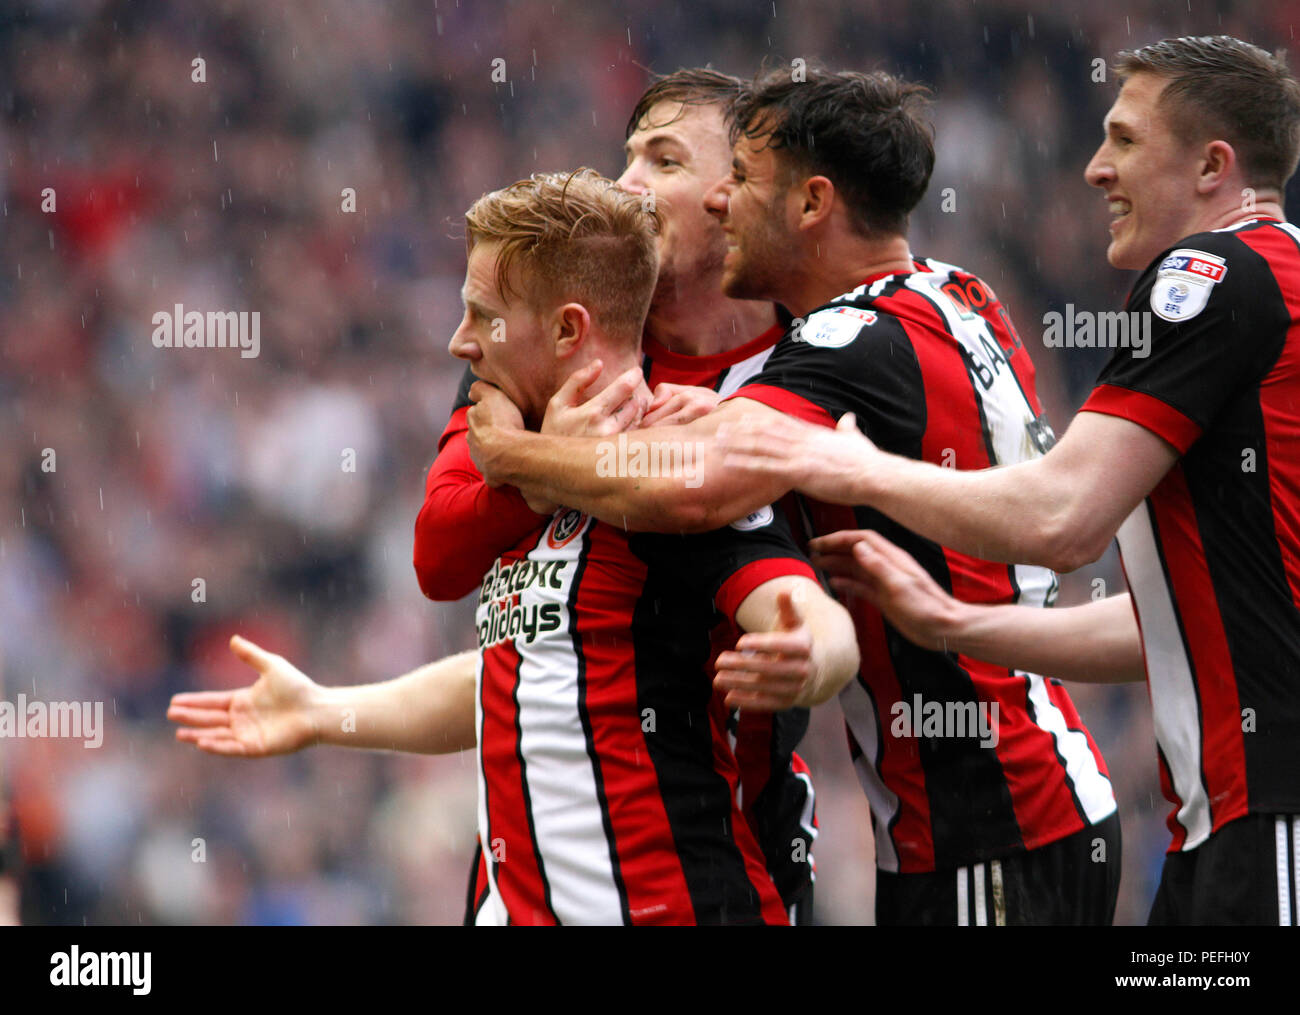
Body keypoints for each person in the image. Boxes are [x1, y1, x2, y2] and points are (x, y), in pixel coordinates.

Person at [467, 68, 1119, 926]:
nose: (722, 204)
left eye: (742, 181)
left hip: (982, 820)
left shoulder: (845, 338)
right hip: (1039, 786)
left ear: (811, 205)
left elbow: (696, 488)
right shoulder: (956, 293)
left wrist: (519, 453)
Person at [171, 70, 825, 924]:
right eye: (627, 154)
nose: (628, 182)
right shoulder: (530, 358)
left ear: (736, 196)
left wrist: (530, 459)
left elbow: (808, 608)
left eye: (663, 159)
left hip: (720, 854)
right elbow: (447, 563)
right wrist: (545, 460)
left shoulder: (805, 371)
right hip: (529, 880)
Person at [716, 36, 1300, 926]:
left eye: (1126, 141)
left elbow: (1067, 519)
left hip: (1262, 816)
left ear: (1215, 166)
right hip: (1210, 822)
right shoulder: (1271, 284)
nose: (1097, 169)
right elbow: (1182, 624)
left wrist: (851, 464)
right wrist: (958, 623)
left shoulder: (1213, 274)